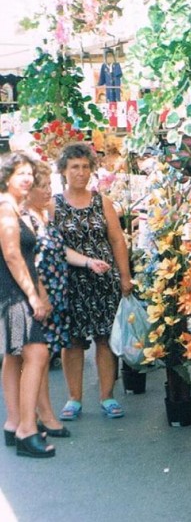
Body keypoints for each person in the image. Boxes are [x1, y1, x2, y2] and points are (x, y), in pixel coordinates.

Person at [53, 143, 133, 421]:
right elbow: (52, 246)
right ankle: (74, 398)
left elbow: (117, 241)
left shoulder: (102, 201)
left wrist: (124, 276)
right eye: (74, 167)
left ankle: (107, 396)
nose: (81, 172)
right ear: (63, 170)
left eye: (86, 166)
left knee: (105, 339)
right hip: (70, 282)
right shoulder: (54, 204)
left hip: (103, 280)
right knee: (72, 341)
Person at [0, 152, 55, 457]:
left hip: (10, 291)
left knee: (14, 356)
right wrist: (33, 296)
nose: (27, 178)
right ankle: (26, 429)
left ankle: (13, 423)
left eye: (29, 173)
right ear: (7, 176)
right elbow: (12, 255)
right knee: (37, 353)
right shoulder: (6, 210)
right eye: (20, 173)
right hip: (14, 293)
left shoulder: (12, 208)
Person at [23, 161, 82, 439]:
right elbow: (30, 262)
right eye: (42, 186)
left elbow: (61, 251)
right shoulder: (27, 218)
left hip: (55, 294)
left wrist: (88, 261)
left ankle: (40, 413)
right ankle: (44, 415)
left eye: (49, 185)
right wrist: (41, 296)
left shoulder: (42, 215)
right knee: (40, 357)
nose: (49, 191)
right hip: (42, 295)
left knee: (44, 356)